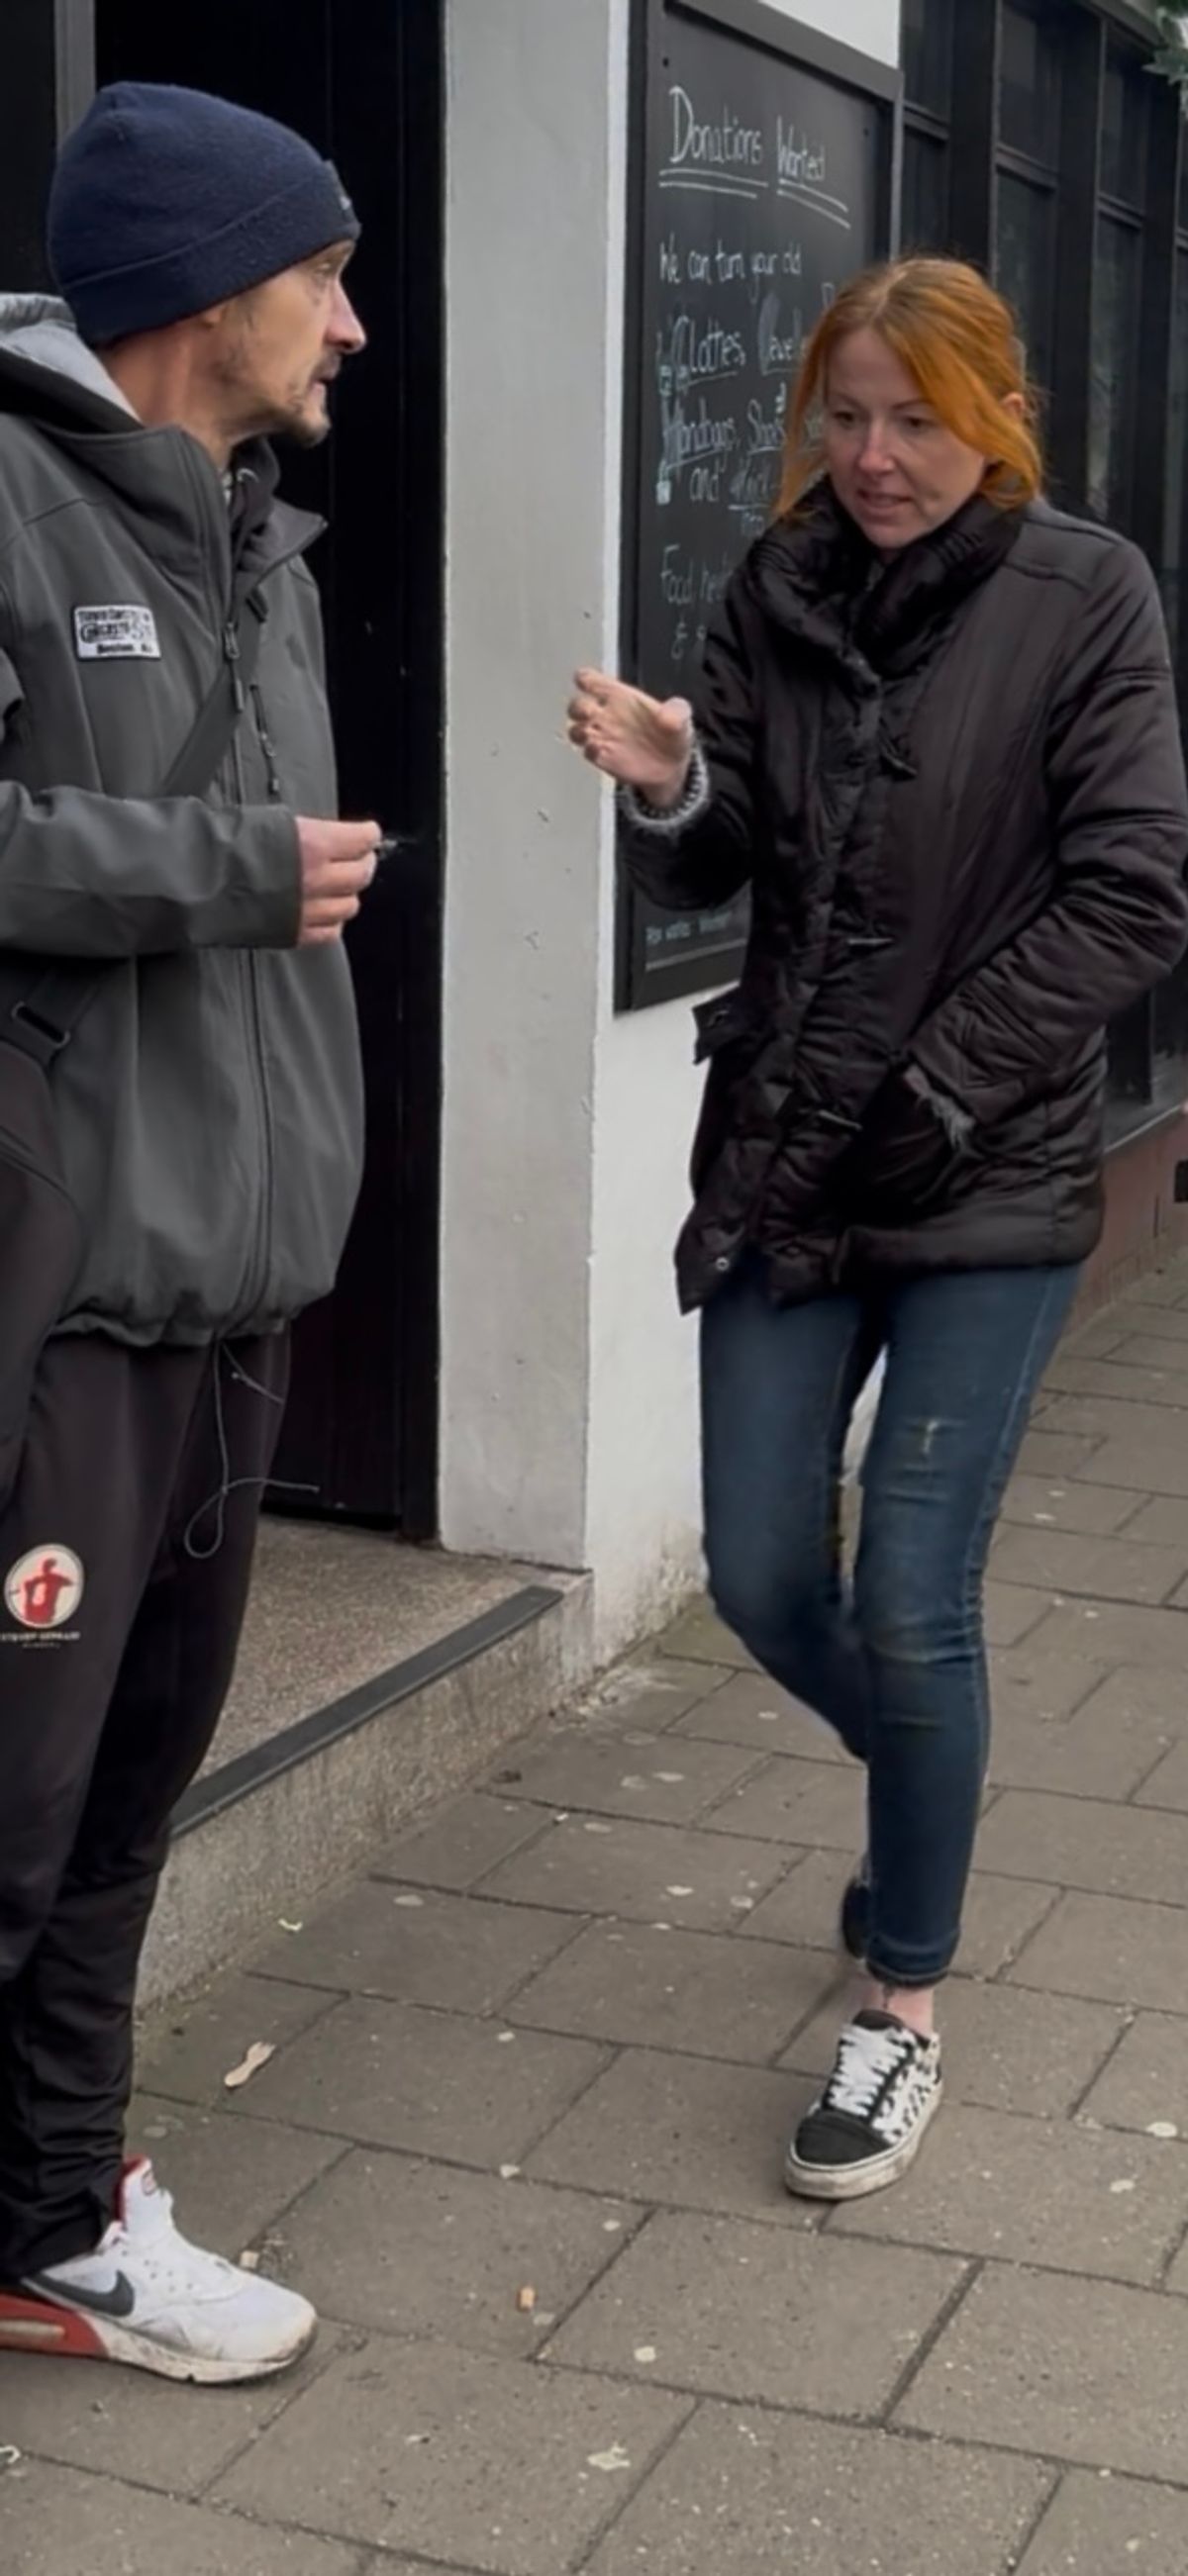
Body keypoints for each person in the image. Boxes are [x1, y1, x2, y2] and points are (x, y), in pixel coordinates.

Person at [568, 257, 1188, 2201]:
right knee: (763, 1575)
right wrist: (677, 782)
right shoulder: (779, 587)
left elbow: (1134, 891)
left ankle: (899, 1996)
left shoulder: (1086, 595)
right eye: (844, 413)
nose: (873, 456)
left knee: (915, 1597)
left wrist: (942, 1090)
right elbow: (744, 836)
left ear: (992, 413)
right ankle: (928, 1785)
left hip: (984, 1180)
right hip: (784, 1165)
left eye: (915, 416)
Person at [0, 83, 380, 2380]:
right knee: (12, 1819)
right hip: (62, 1306)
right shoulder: (14, 499)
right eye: (326, 274)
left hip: (237, 1295)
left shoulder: (263, 535)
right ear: (208, 289)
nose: (351, 320)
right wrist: (221, 875)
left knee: (129, 1797)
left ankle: (54, 2220)